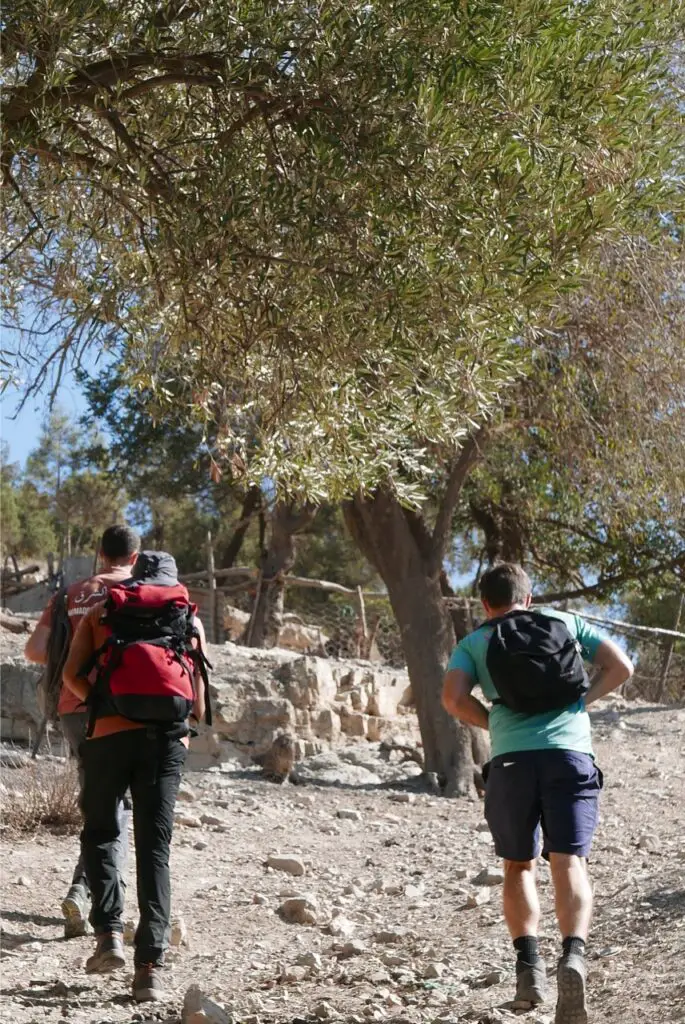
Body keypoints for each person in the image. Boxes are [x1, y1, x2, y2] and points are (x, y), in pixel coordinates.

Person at [442, 563, 633, 1024]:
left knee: (519, 864)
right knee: (568, 859)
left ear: (485, 603)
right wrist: (582, 703)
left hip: (510, 762)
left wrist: (493, 722)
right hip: (570, 756)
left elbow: (451, 698)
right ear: (529, 598)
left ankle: (529, 968)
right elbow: (622, 666)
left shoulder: (475, 642)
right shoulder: (564, 622)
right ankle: (574, 956)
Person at [62, 550, 208, 1003]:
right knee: (154, 848)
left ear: (134, 577)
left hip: (107, 735)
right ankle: (150, 969)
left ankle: (107, 937)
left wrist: (106, 704)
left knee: (103, 831)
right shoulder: (188, 620)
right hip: (165, 743)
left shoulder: (105, 610)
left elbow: (71, 675)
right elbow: (198, 704)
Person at [24, 524, 140, 938]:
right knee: (117, 805)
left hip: (74, 707)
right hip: (127, 709)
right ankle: (90, 892)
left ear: (99, 553)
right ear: (135, 556)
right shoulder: (145, 590)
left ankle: (85, 889)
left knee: (99, 799)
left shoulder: (69, 594)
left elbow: (34, 651)